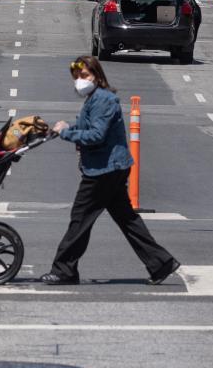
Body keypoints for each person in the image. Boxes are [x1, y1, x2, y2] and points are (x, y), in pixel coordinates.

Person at [39, 56, 180, 286]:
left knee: (80, 218)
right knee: (126, 219)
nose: (80, 81)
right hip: (109, 168)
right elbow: (89, 127)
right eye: (76, 77)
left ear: (97, 76)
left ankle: (64, 269)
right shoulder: (95, 99)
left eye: (84, 76)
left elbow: (96, 135)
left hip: (104, 170)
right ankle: (160, 262)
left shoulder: (103, 100)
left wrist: (66, 133)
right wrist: (65, 128)